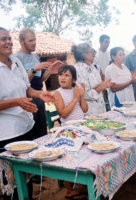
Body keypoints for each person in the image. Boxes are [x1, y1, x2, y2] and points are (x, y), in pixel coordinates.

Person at [0, 27, 55, 199]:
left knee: (25, 176)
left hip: (26, 126)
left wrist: (40, 94)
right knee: (11, 180)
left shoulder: (16, 61)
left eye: (9, 39)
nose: (8, 42)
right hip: (7, 133)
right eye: (3, 39)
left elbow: (26, 89)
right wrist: (16, 102)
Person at [15, 28, 62, 139]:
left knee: (41, 131)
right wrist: (34, 69)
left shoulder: (35, 56)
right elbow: (22, 83)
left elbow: (41, 80)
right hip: (28, 100)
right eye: (31, 40)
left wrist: (50, 70)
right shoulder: (16, 59)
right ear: (22, 42)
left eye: (35, 40)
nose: (34, 43)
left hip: (39, 98)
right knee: (30, 133)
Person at [53, 65, 88, 199]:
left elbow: (84, 109)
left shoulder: (75, 89)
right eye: (61, 74)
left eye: (67, 75)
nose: (62, 77)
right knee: (68, 159)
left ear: (73, 79)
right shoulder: (57, 93)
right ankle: (69, 189)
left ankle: (82, 185)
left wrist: (81, 96)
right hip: (68, 130)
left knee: (82, 157)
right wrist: (75, 98)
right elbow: (63, 113)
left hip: (81, 127)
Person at [72, 43, 112, 115]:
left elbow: (99, 86)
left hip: (100, 110)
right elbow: (83, 94)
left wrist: (105, 85)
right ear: (84, 54)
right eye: (92, 51)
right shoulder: (78, 70)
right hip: (88, 112)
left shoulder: (93, 68)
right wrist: (100, 87)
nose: (94, 53)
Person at [94, 34, 111, 111]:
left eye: (108, 42)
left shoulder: (109, 54)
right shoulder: (96, 55)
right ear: (100, 42)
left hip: (110, 80)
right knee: (104, 100)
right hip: (100, 81)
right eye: (106, 42)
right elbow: (95, 69)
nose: (107, 44)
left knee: (110, 100)